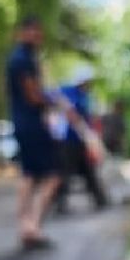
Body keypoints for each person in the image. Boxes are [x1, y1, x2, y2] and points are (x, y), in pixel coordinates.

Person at [5, 15, 58, 250]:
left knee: (30, 175)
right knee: (51, 175)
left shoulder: (23, 58)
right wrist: (54, 103)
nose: (38, 36)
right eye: (34, 31)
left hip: (25, 123)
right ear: (24, 32)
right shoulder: (22, 60)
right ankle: (31, 225)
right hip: (31, 124)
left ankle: (28, 226)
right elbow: (33, 95)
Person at [54, 64, 109, 213]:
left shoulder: (86, 96)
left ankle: (100, 199)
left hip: (83, 139)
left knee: (88, 169)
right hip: (68, 139)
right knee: (66, 171)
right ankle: (59, 202)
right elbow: (60, 102)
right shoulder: (68, 91)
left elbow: (89, 118)